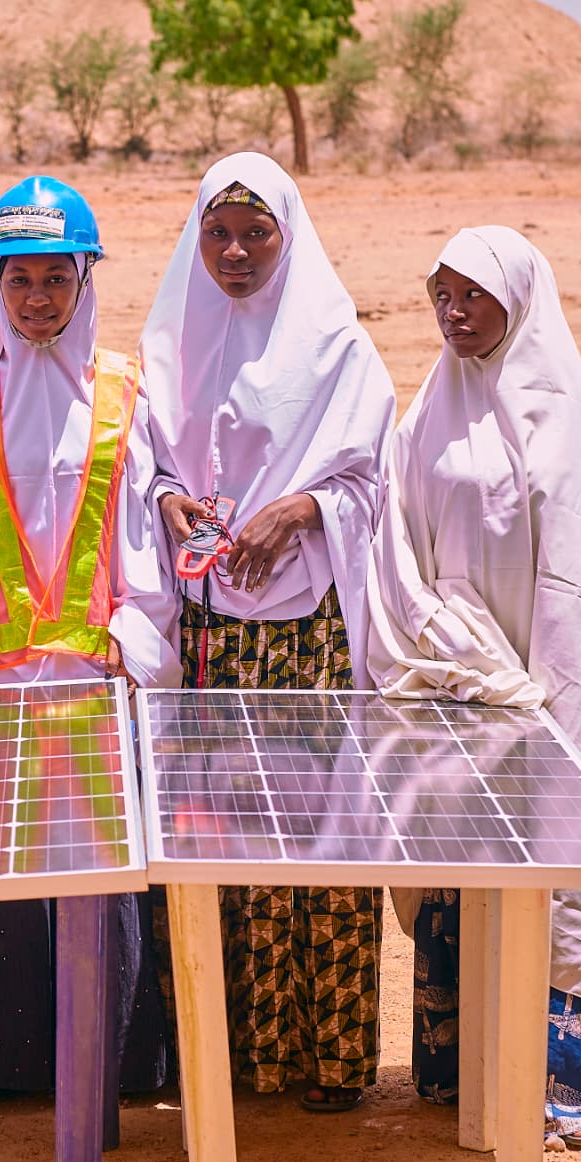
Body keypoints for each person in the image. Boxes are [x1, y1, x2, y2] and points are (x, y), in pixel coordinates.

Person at [364, 226, 581, 1138]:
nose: (455, 313)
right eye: (442, 295)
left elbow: (577, 580)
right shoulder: (427, 412)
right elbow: (393, 544)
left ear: (516, 299)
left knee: (551, 865)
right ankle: (455, 1069)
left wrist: (536, 686)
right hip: (454, 685)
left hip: (539, 687)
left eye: (473, 296)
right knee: (460, 864)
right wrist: (445, 644)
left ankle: (560, 1085)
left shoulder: (555, 416)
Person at [143, 152, 395, 1112]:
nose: (237, 253)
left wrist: (299, 510)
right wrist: (169, 504)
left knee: (321, 836)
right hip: (215, 635)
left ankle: (329, 1060)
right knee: (224, 838)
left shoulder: (339, 348)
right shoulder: (171, 343)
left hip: (308, 636)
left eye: (257, 234)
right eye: (219, 234)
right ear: (195, 239)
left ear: (291, 237)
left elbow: (371, 477)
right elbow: (149, 464)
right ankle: (240, 1055)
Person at [0, 177, 179, 1100]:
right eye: (18, 279)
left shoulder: (124, 389)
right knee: (9, 868)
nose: (36, 299)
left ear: (84, 280)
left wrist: (132, 634)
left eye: (54, 280)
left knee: (105, 873)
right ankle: (9, 1070)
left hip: (96, 675)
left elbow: (141, 531)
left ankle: (119, 1063)